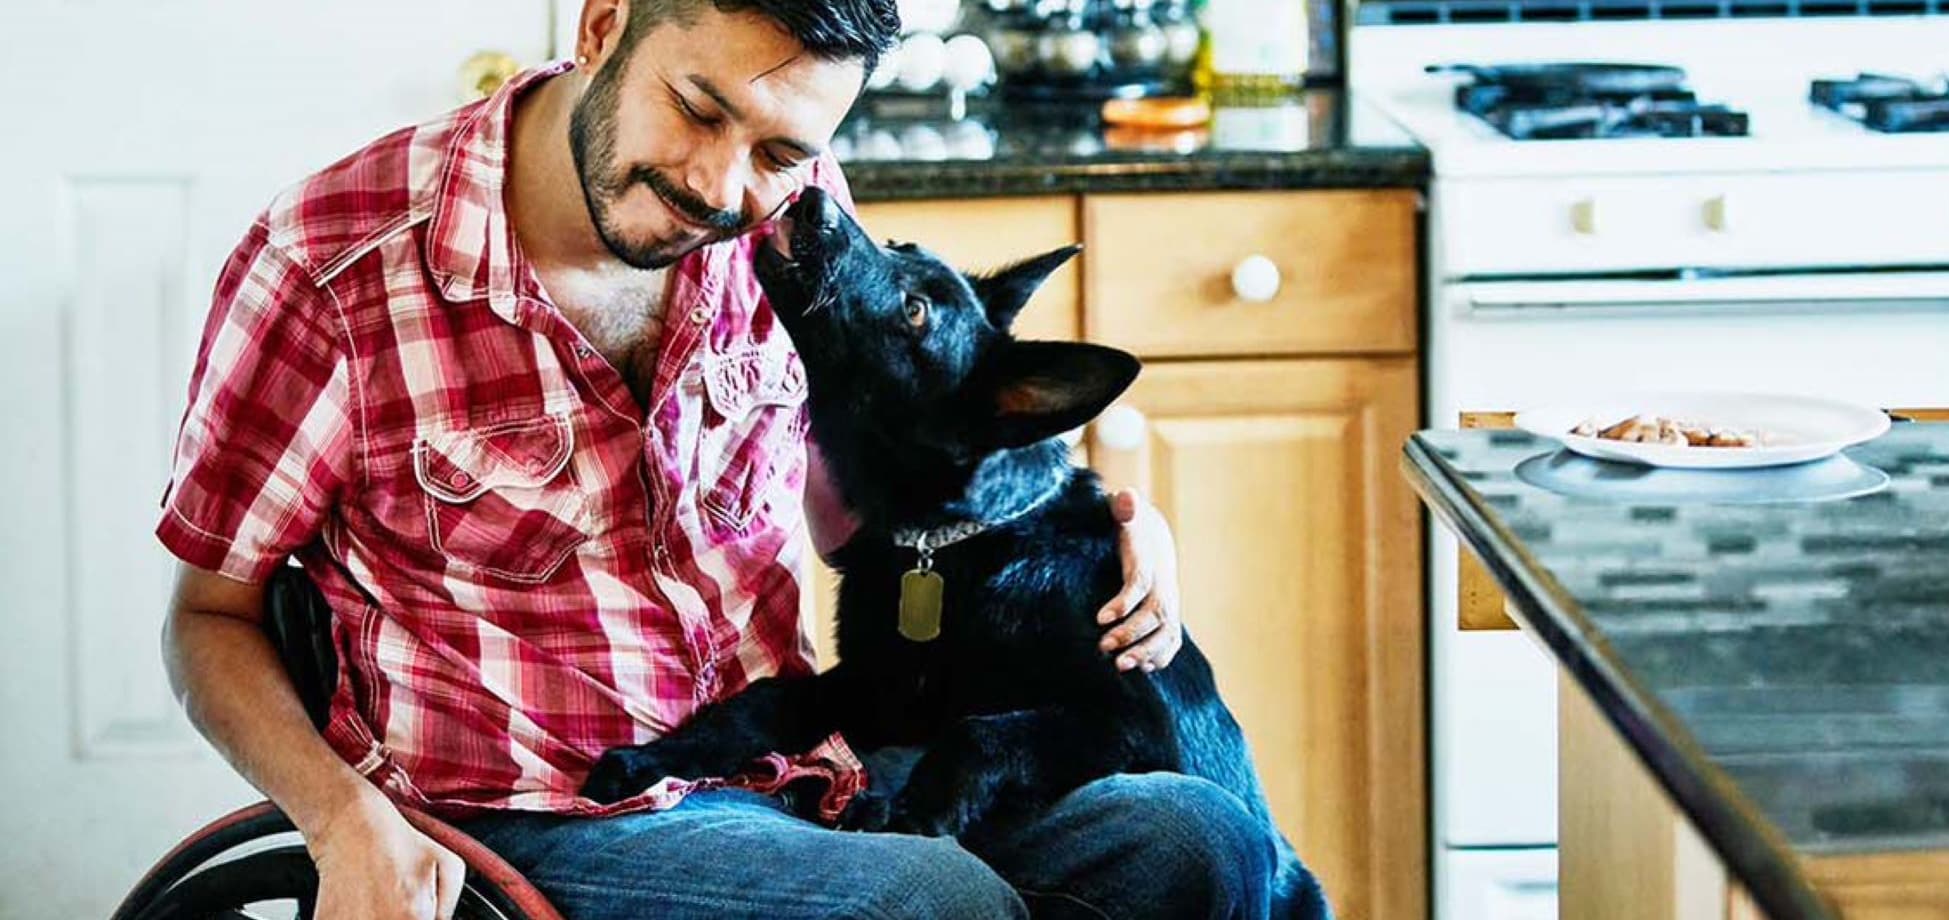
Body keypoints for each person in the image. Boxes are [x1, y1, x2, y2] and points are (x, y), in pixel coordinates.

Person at [157, 1, 1277, 917]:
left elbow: (871, 500)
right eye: (698, 109)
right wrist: (342, 820)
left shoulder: (789, 211)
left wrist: (1102, 531)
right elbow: (209, 618)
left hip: (797, 769)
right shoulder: (329, 267)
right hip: (532, 814)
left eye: (784, 149)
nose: (725, 188)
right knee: (929, 901)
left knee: (1200, 837)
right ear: (602, 26)